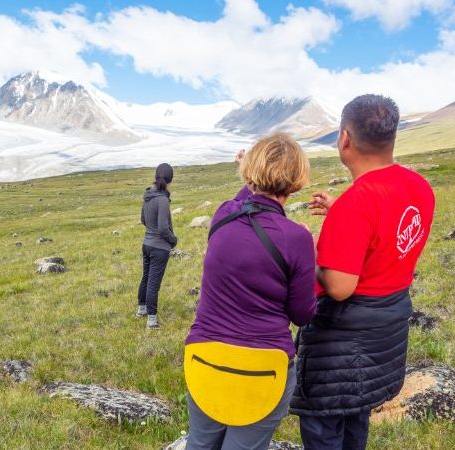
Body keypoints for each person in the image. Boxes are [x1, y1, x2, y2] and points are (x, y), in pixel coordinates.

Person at [290, 95, 436, 450]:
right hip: (388, 328)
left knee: (325, 427)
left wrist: (310, 252)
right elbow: (387, 235)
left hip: (343, 340)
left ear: (344, 139)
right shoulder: (419, 187)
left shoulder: (356, 204)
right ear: (392, 137)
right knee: (357, 417)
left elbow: (340, 287)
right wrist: (342, 215)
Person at [184, 133, 318, 450]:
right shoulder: (296, 238)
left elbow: (244, 203)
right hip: (264, 370)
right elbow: (302, 314)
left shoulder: (222, 215)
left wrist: (250, 169)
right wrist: (310, 262)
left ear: (248, 172)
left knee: (201, 443)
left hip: (205, 359)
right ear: (297, 180)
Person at [138, 163, 178, 329]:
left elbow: (143, 220)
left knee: (146, 278)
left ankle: (142, 310)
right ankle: (152, 321)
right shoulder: (162, 199)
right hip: (159, 247)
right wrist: (173, 240)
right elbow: (163, 228)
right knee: (154, 283)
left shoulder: (148, 195)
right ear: (170, 180)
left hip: (146, 244)